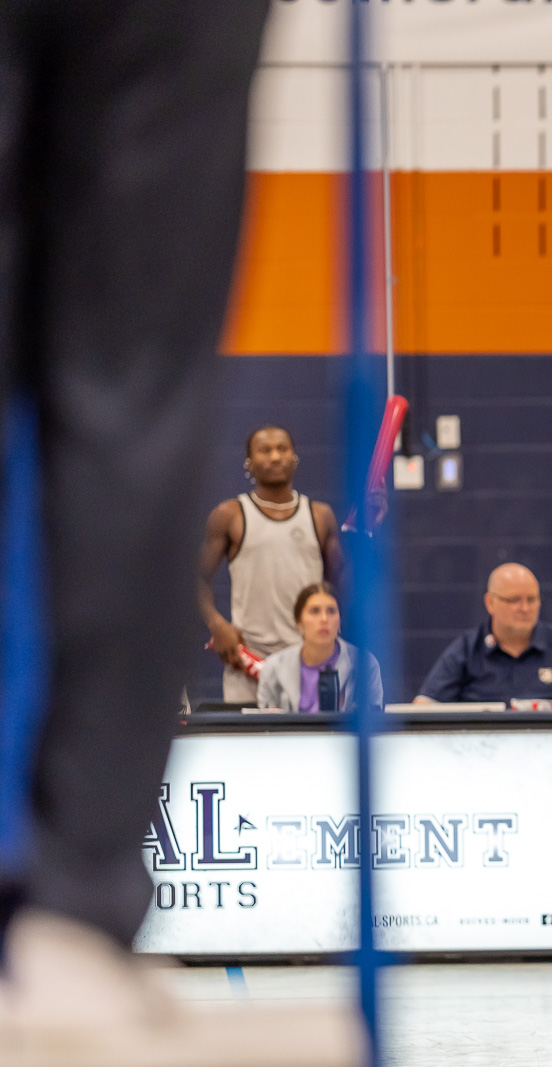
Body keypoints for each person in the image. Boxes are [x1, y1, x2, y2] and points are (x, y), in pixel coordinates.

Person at [0, 2, 360, 1063]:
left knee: (133, 405)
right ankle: (74, 908)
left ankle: (73, 905)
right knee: (132, 398)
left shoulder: (314, 515)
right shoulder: (232, 514)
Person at [198, 424, 343, 703]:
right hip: (247, 665)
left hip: (307, 663)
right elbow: (193, 579)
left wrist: (367, 529)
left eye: (282, 449)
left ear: (295, 458)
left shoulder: (320, 515)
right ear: (249, 463)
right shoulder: (230, 515)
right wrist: (217, 624)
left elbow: (341, 582)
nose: (275, 457)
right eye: (265, 450)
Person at [416, 563, 552, 704]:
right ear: (490, 602)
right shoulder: (467, 650)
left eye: (531, 599)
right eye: (514, 600)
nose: (525, 608)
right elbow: (425, 706)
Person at [255, 583, 382, 714]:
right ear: (299, 621)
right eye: (314, 611)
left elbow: (373, 718)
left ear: (340, 620)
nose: (324, 619)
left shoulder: (365, 664)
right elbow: (266, 723)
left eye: (331, 611)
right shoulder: (273, 667)